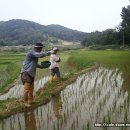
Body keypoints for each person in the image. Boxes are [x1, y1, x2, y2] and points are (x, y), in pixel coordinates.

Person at [21, 42, 50, 107]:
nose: (41, 50)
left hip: (31, 74)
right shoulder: (31, 53)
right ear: (37, 48)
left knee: (31, 88)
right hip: (26, 73)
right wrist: (47, 53)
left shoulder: (35, 56)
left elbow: (35, 64)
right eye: (41, 48)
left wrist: (41, 66)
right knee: (27, 89)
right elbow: (39, 55)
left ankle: (31, 100)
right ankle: (25, 102)